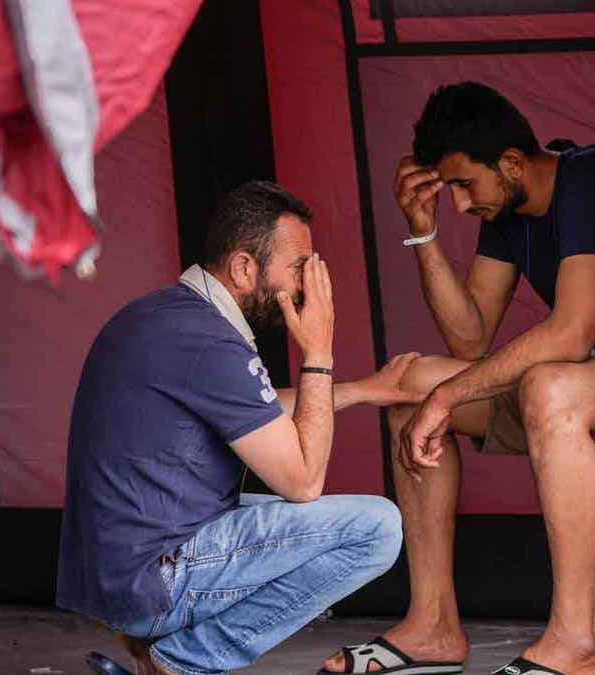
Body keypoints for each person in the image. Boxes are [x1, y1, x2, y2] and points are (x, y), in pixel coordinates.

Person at [319, 82, 595, 675]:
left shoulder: (594, 179)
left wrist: (451, 395)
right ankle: (432, 627)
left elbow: (571, 334)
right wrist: (422, 234)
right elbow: (470, 341)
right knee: (419, 387)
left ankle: (578, 643)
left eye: (463, 185)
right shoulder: (508, 209)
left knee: (543, 385)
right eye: (446, 190)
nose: (458, 204)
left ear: (510, 163)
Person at [58, 181, 421, 675]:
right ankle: (184, 662)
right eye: (298, 268)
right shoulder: (209, 342)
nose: (304, 287)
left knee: (315, 519)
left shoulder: (157, 317)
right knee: (375, 528)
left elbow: (255, 414)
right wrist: (320, 350)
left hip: (116, 576)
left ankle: (152, 652)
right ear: (244, 268)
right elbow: (303, 479)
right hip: (154, 579)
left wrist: (362, 391)